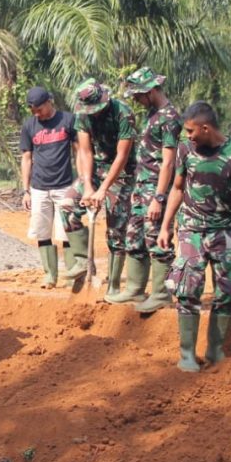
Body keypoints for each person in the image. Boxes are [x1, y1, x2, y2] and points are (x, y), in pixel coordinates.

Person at [159, 102, 231, 372]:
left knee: (229, 291)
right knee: (187, 289)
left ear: (205, 128)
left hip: (223, 231)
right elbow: (177, 190)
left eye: (191, 130)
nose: (188, 135)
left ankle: (215, 351)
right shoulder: (185, 151)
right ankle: (187, 355)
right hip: (191, 229)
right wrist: (165, 226)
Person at [121, 67, 183, 312]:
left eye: (139, 94)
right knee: (134, 236)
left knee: (157, 237)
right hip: (141, 186)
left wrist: (159, 198)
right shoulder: (152, 114)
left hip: (156, 189)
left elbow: (168, 162)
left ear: (151, 90)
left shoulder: (169, 118)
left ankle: (161, 292)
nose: (135, 99)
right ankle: (135, 289)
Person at [74, 78, 137, 299]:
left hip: (122, 172)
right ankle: (83, 264)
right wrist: (89, 186)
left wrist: (104, 190)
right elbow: (85, 152)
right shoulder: (82, 115)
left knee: (117, 228)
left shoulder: (123, 113)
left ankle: (114, 284)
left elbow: (122, 155)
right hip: (95, 170)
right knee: (67, 205)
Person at [19, 86, 83, 289]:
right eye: (33, 111)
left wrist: (81, 181)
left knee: (66, 232)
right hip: (39, 188)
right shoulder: (29, 126)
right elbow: (26, 158)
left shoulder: (68, 120)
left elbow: (79, 152)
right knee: (42, 232)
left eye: (39, 109)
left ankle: (74, 275)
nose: (37, 114)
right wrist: (26, 190)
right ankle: (50, 275)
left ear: (49, 102)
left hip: (64, 186)